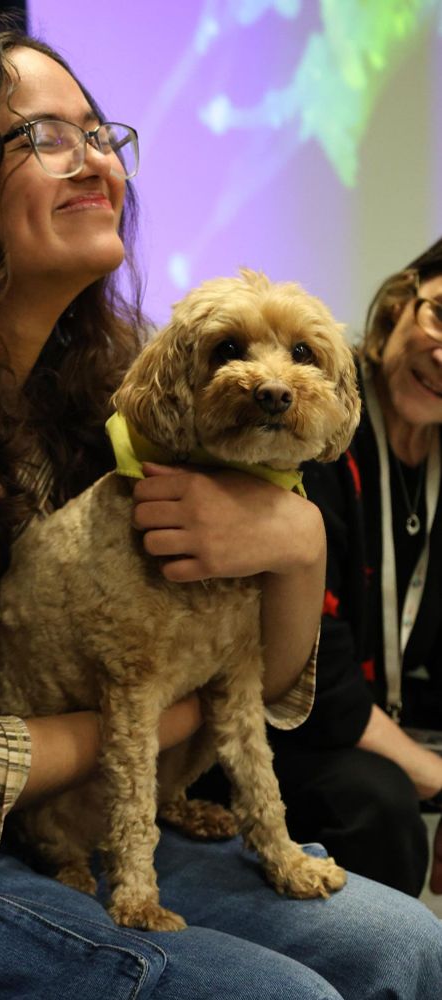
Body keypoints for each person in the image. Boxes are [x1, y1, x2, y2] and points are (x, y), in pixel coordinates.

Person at [0, 18, 440, 999]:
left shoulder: (106, 397)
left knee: (408, 946)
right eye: (44, 137)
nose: (94, 161)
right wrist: (165, 712)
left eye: (100, 134)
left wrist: (296, 544)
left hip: (33, 821)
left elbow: (269, 689)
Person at [257, 239, 442, 900]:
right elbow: (314, 677)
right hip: (282, 726)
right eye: (440, 316)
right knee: (378, 802)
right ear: (401, 302)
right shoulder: (318, 419)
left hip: (386, 708)